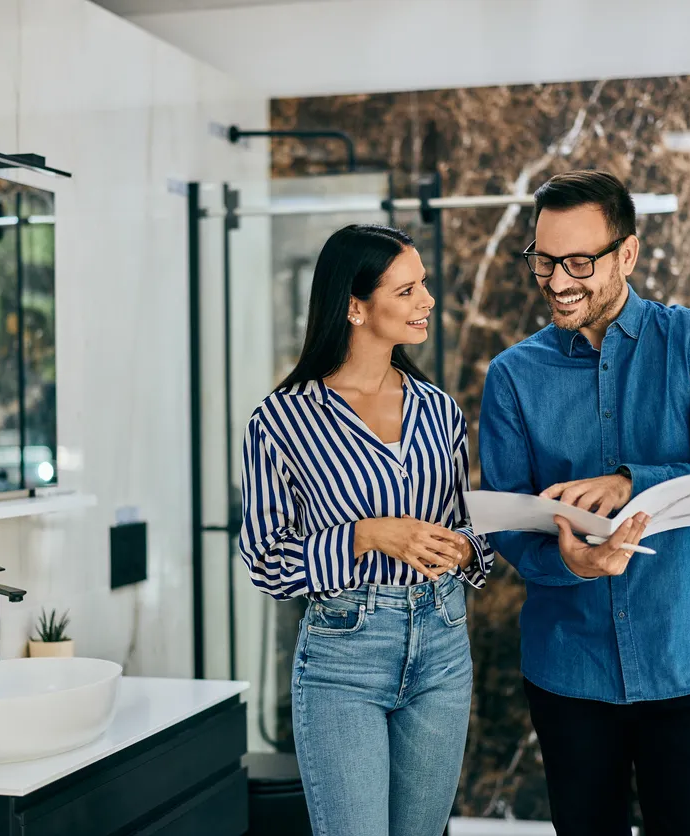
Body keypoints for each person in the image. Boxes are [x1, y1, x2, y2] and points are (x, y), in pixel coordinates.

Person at [479, 170, 690, 836]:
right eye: (543, 261)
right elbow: (508, 525)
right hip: (568, 675)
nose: (557, 281)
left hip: (688, 663)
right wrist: (569, 564)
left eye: (579, 261)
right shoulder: (512, 377)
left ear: (627, 255)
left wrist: (626, 482)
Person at [239, 223, 493, 836]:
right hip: (344, 655)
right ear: (355, 306)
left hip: (443, 641)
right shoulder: (282, 420)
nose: (426, 301)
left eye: (423, 285)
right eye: (406, 291)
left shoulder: (439, 410)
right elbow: (264, 562)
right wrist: (364, 535)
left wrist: (466, 547)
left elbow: (470, 526)